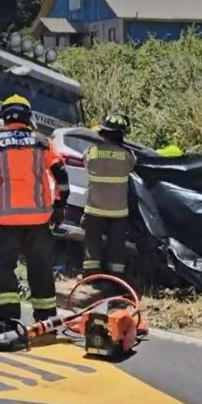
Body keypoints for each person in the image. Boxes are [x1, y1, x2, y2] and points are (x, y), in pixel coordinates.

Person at [0, 94, 70, 342]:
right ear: (28, 117)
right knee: (40, 269)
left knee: (2, 268)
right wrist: (59, 205)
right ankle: (46, 318)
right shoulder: (42, 142)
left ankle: (6, 319)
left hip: (5, 223)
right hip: (38, 221)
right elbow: (61, 175)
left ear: (4, 117)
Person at [82, 113, 137, 287]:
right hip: (118, 211)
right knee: (117, 247)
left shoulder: (92, 151)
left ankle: (91, 277)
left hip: (94, 209)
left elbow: (85, 163)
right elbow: (132, 166)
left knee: (92, 244)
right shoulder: (128, 154)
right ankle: (115, 281)